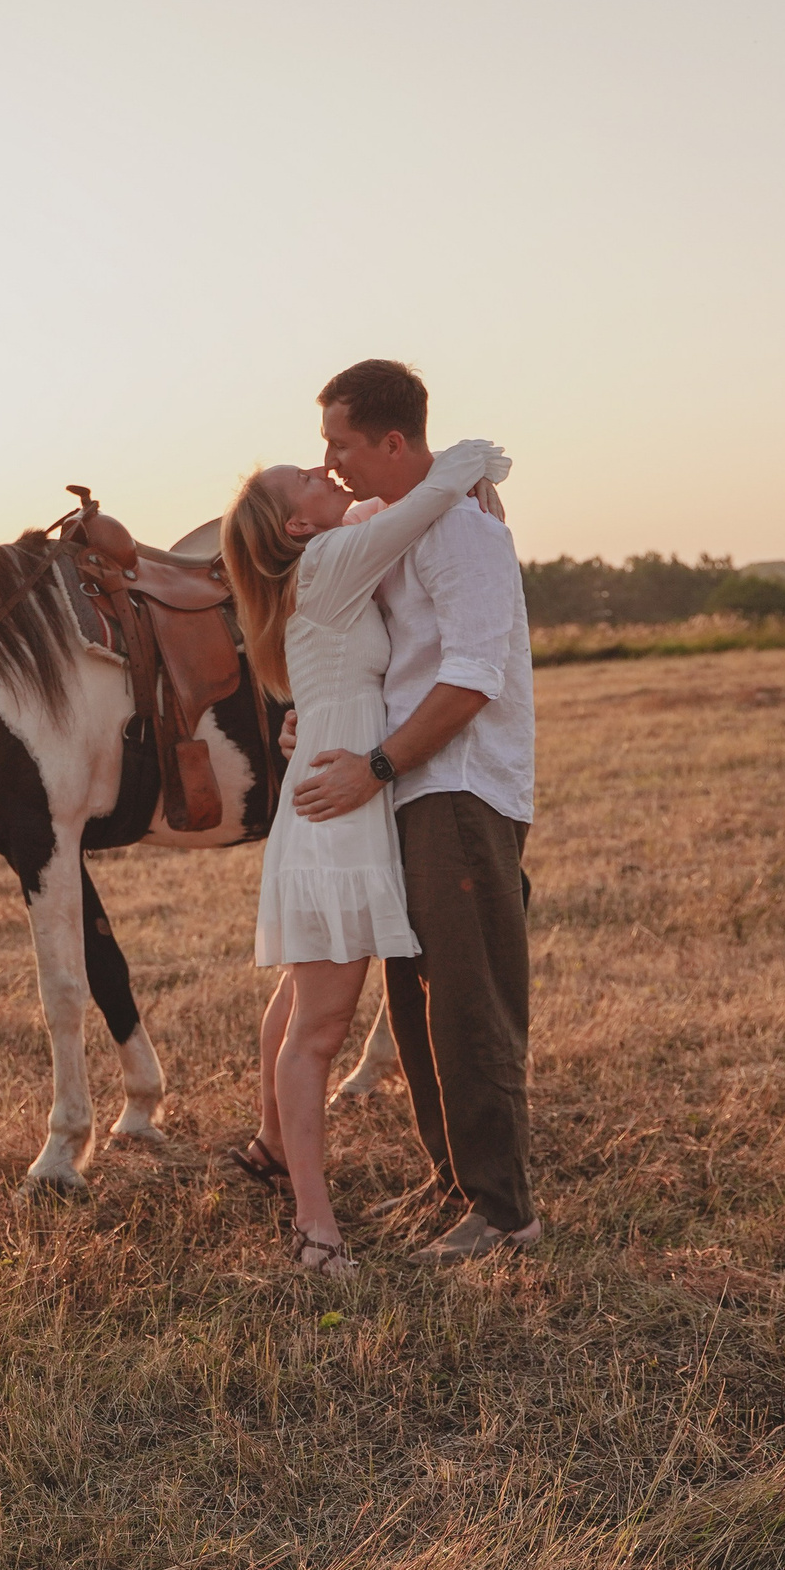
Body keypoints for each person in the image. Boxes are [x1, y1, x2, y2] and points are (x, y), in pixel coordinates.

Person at [220, 436, 510, 1275]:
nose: (324, 473)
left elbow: (384, 516)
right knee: (322, 1025)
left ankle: (275, 1145)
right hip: (337, 820)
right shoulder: (330, 561)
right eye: (304, 480)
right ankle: (316, 1226)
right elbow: (414, 507)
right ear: (295, 527)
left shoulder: (317, 571)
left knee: (304, 994)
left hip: (331, 802)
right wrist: (469, 459)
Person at [292, 359, 541, 1266]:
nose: (330, 460)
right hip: (406, 786)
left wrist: (376, 764)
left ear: (393, 442)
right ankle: (454, 1185)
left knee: (470, 1000)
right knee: (416, 1000)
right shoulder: (390, 522)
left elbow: (473, 678)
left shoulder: (464, 538)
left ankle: (505, 1211)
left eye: (342, 443)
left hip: (460, 785)